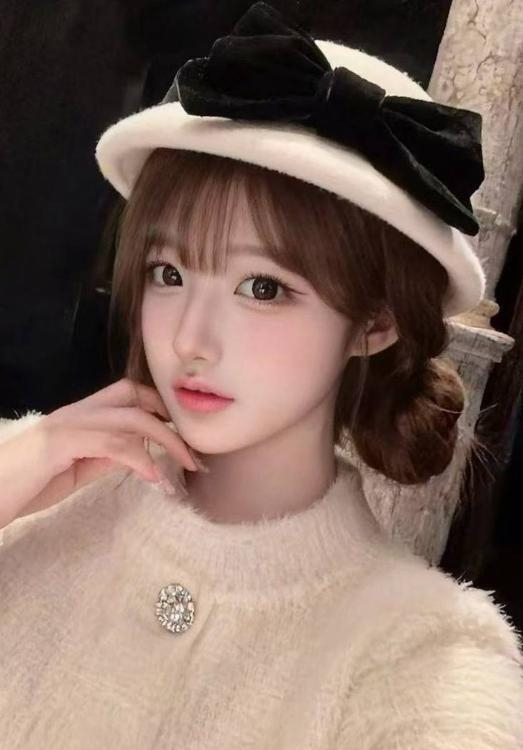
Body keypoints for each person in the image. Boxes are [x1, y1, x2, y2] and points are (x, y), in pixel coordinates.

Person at [0, 2, 522, 748]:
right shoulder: (29, 485)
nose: (190, 339)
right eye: (169, 272)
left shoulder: (423, 660)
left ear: (374, 322)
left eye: (263, 288)